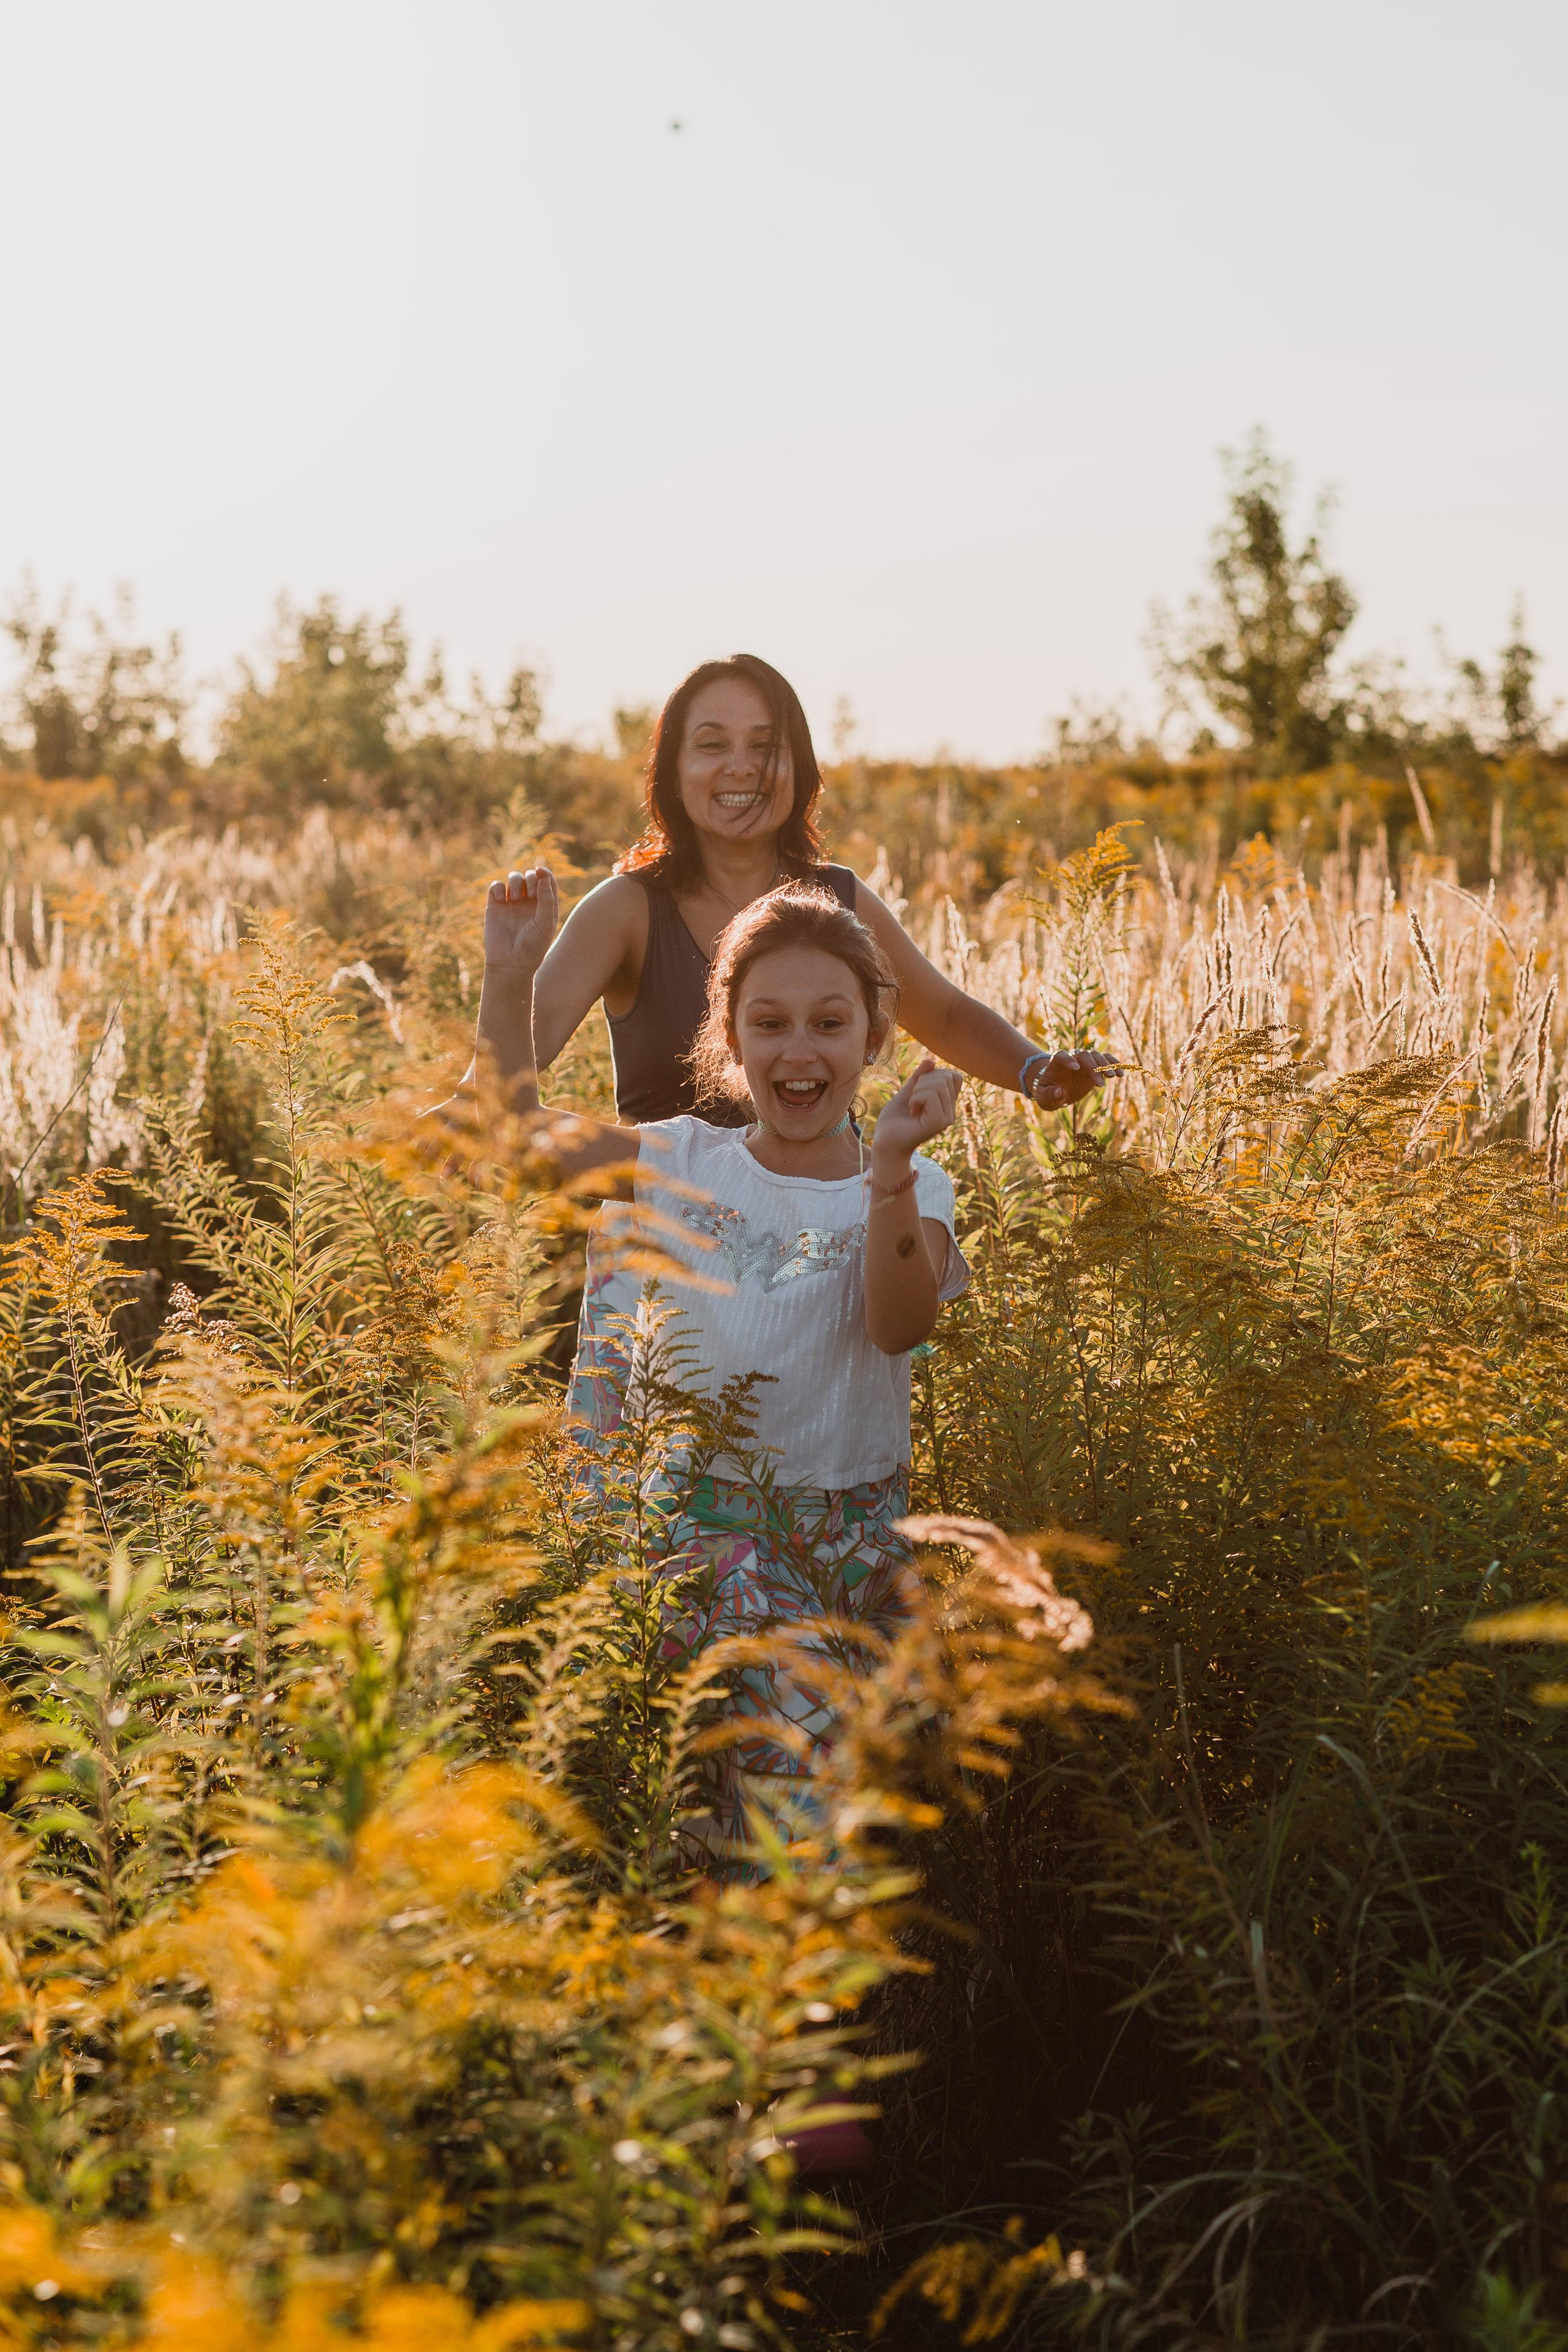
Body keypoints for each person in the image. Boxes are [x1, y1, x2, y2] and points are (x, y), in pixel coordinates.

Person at [488, 875, 968, 1884]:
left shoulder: (914, 1186)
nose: (800, 1050)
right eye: (770, 1023)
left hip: (842, 1561)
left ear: (875, 1038)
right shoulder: (676, 1162)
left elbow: (900, 1326)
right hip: (692, 1550)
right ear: (731, 1040)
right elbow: (512, 1134)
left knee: (803, 1856)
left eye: (829, 1023)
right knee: (694, 1843)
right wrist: (509, 975)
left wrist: (887, 1169)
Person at [470, 652, 1115, 1124]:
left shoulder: (840, 900)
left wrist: (1033, 1069)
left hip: (822, 1227)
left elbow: (943, 1015)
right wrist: (440, 1121)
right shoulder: (625, 910)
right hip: (667, 1239)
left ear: (799, 768)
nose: (741, 767)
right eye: (711, 745)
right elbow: (506, 1074)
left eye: (765, 746)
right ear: (673, 772)